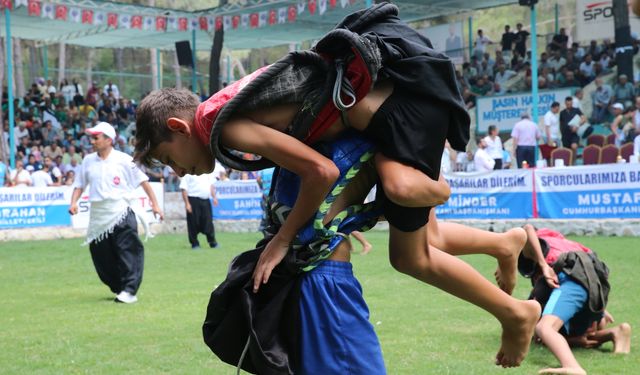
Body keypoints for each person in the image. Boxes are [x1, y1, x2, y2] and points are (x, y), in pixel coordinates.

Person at [135, 4, 538, 367]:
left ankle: (512, 311)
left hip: (401, 113)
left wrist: (282, 239)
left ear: (178, 127)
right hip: (396, 114)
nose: (181, 171)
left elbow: (321, 172)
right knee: (424, 236)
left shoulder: (226, 126)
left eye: (171, 159)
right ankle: (502, 244)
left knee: (410, 253)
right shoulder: (231, 107)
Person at [69, 122, 163, 304]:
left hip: (122, 211)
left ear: (109, 140)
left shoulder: (124, 160)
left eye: (96, 138)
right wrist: (74, 202)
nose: (92, 141)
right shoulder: (88, 161)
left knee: (128, 250)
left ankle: (130, 290)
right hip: (99, 215)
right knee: (100, 254)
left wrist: (155, 204)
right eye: (92, 137)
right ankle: (120, 286)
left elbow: (143, 181)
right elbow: (79, 184)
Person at [518, 225, 630, 375]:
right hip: (594, 283)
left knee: (545, 328)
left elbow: (527, 228)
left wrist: (543, 265)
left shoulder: (535, 244)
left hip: (570, 278)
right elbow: (588, 270)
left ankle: (572, 366)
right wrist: (601, 308)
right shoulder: (562, 242)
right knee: (582, 331)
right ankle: (616, 332)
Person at [179, 173, 219, 249]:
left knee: (208, 222)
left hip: (205, 200)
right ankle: (195, 243)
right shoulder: (188, 173)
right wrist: (187, 203)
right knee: (193, 223)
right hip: (193, 200)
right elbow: (184, 188)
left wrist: (214, 197)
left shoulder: (207, 173)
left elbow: (211, 186)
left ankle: (212, 242)